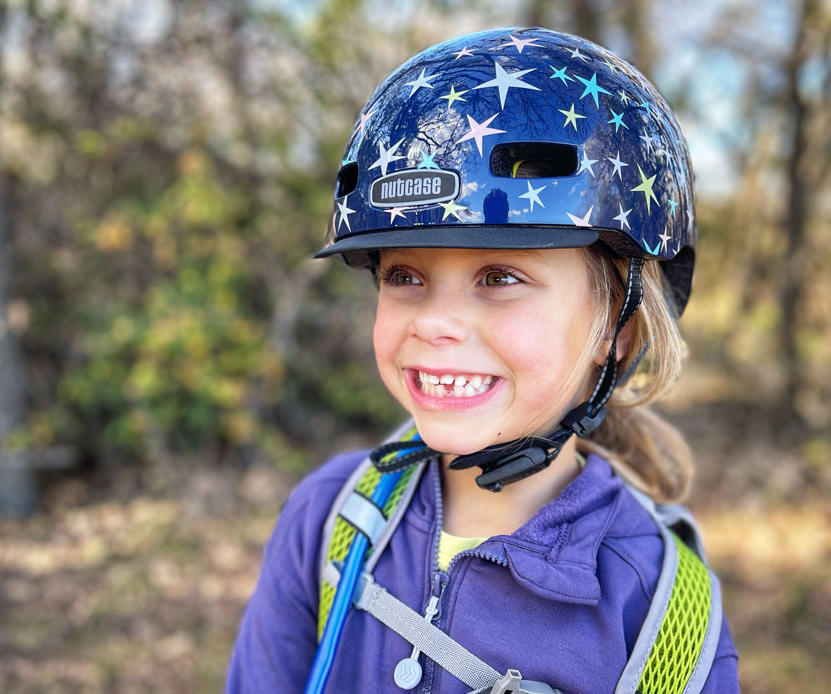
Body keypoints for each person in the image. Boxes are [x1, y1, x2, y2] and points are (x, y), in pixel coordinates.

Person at [226, 27, 740, 694]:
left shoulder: (663, 618)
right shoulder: (328, 520)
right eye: (404, 276)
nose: (436, 322)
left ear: (620, 325)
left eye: (499, 277)